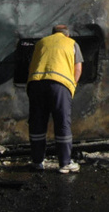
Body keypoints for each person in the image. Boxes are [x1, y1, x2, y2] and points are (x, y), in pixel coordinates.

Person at [27, 24, 83, 174]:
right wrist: (72, 85)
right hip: (59, 84)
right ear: (67, 35)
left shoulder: (41, 43)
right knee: (62, 121)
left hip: (36, 83)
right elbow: (78, 68)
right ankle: (65, 163)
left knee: (37, 121)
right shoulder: (72, 44)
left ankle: (37, 161)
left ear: (52, 34)